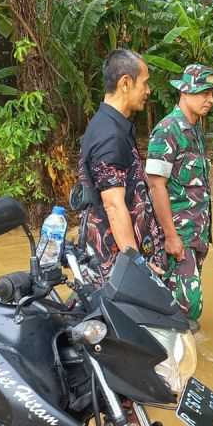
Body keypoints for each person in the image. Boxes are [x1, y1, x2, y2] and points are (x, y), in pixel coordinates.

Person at [77, 49, 164, 287]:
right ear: (126, 82)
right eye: (144, 83)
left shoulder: (111, 126)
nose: (148, 91)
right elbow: (113, 205)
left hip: (118, 262)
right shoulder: (109, 135)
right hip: (117, 270)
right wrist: (136, 266)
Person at [146, 64, 213, 329]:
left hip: (197, 233)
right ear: (185, 92)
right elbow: (156, 186)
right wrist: (170, 236)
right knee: (188, 304)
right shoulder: (167, 130)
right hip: (178, 234)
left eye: (212, 93)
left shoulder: (196, 132)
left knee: (183, 302)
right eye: (203, 93)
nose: (209, 99)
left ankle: (181, 353)